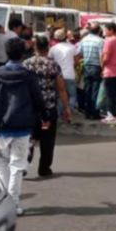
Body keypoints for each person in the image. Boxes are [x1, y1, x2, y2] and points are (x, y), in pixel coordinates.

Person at [0, 38, 49, 216]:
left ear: (6, 53)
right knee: (17, 165)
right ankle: (13, 203)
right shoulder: (28, 76)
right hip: (23, 127)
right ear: (22, 54)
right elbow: (38, 100)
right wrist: (44, 117)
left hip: (2, 127)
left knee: (2, 164)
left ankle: (4, 202)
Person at [24, 35, 71, 177]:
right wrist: (66, 107)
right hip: (48, 109)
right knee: (47, 139)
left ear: (35, 47)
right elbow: (61, 88)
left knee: (29, 138)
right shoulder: (53, 65)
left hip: (30, 109)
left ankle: (23, 165)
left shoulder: (26, 64)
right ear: (48, 48)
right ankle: (44, 168)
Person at [49, 29, 81, 116]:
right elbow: (77, 61)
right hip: (70, 74)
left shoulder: (53, 49)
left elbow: (50, 61)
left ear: (55, 38)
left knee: (59, 96)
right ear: (66, 37)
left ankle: (60, 114)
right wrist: (71, 65)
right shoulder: (72, 47)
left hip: (58, 76)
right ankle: (68, 111)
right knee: (72, 95)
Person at [79, 23, 105, 120]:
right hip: (96, 67)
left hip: (86, 66)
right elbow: (101, 56)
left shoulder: (84, 40)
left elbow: (80, 53)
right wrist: (103, 69)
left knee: (87, 90)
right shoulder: (100, 41)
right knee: (95, 91)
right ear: (98, 31)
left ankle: (87, 113)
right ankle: (94, 113)